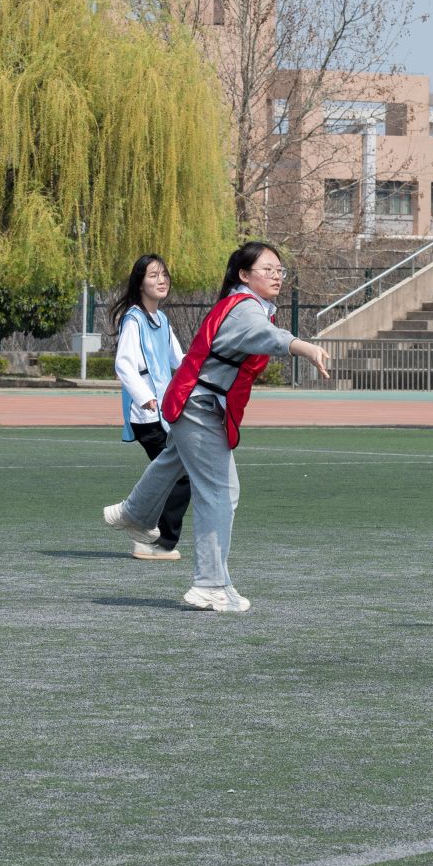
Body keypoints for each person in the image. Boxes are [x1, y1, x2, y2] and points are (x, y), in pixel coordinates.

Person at [99, 242, 331, 613]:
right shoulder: (245, 310)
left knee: (173, 462)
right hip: (198, 406)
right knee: (220, 492)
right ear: (244, 275)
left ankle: (134, 513)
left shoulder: (244, 306)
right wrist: (304, 347)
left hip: (194, 401)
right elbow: (269, 338)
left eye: (280, 270)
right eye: (267, 269)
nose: (276, 276)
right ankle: (208, 584)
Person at [110, 253, 190, 561]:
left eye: (164, 275)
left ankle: (141, 521)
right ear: (140, 283)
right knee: (179, 474)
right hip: (146, 414)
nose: (162, 280)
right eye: (153, 275)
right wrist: (144, 396)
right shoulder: (134, 319)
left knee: (167, 473)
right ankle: (154, 538)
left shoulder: (162, 320)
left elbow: (179, 361)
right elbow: (124, 365)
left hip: (166, 411)